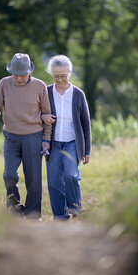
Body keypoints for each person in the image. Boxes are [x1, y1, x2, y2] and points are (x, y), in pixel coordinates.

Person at [0, 53, 51, 220]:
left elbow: (47, 114)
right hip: (11, 137)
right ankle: (15, 212)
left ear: (29, 72)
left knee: (34, 181)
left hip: (33, 137)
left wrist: (46, 139)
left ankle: (33, 216)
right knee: (9, 175)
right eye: (15, 74)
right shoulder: (4, 84)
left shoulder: (40, 86)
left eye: (22, 75)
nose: (18, 79)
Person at [42, 55, 91, 220]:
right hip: (53, 143)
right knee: (54, 182)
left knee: (71, 175)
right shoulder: (46, 91)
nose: (59, 79)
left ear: (70, 72)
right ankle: (60, 215)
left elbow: (86, 124)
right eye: (56, 76)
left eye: (63, 75)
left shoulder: (78, 94)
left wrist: (87, 150)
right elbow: (38, 113)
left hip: (72, 143)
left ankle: (75, 208)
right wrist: (43, 117)